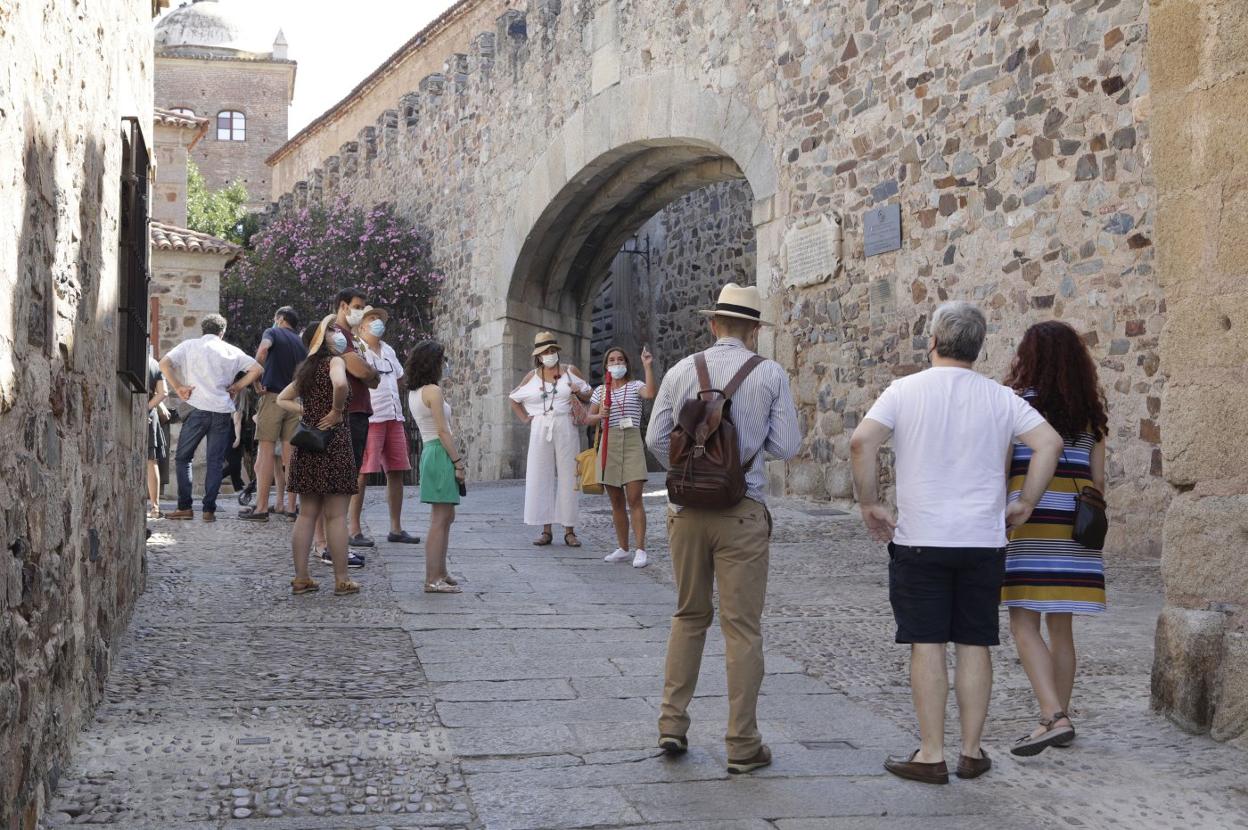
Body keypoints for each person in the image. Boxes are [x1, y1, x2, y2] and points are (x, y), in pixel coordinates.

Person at [849, 301, 1065, 785]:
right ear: (979, 346)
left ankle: (931, 753)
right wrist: (1025, 501)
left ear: (932, 341)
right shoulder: (999, 398)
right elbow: (1049, 443)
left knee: (926, 642)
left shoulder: (904, 391)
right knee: (975, 641)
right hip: (982, 541)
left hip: (921, 538)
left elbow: (862, 442)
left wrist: (869, 503)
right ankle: (970, 751)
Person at [646, 283, 801, 775]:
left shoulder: (677, 372)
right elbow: (789, 445)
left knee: (688, 615)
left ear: (713, 324)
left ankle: (672, 724)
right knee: (742, 629)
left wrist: (695, 461)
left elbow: (654, 439)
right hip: (743, 511)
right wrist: (742, 454)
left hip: (687, 512)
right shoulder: (770, 373)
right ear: (754, 329)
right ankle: (742, 743)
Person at [1001, 321, 1109, 756]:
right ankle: (1059, 715)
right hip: (1075, 526)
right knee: (1061, 628)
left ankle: (1053, 717)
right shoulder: (1092, 415)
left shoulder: (1015, 407)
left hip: (1031, 520)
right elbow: (1098, 482)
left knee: (1022, 621)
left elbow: (1003, 467)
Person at [278, 315, 360, 596]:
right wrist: (336, 411)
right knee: (336, 516)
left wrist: (308, 413)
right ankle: (341, 579)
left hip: (308, 446)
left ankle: (301, 577)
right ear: (322, 338)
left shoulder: (306, 370)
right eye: (333, 330)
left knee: (307, 514)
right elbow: (340, 385)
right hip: (334, 444)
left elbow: (282, 399)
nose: (339, 334)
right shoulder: (335, 362)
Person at [159, 314, 262, 522]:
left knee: (182, 458)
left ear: (203, 330)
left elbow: (164, 363)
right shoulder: (231, 351)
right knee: (215, 462)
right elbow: (257, 369)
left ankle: (185, 507)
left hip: (197, 408)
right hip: (222, 410)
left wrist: (179, 387)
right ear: (222, 333)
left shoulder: (189, 345)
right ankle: (208, 510)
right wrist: (237, 387)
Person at [508, 332, 592, 547]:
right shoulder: (531, 376)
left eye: (552, 350)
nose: (549, 354)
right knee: (540, 474)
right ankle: (545, 529)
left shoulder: (570, 371)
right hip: (540, 426)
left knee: (568, 475)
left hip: (565, 425)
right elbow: (513, 398)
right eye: (545, 352)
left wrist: (577, 391)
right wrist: (526, 418)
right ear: (538, 355)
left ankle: (569, 530)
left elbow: (588, 394)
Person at [349, 307, 421, 545]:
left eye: (379, 318)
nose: (377, 322)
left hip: (394, 416)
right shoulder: (357, 349)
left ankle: (396, 528)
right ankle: (354, 529)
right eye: (372, 318)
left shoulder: (388, 349)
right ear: (361, 326)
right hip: (371, 418)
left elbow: (400, 378)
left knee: (397, 471)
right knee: (362, 473)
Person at [586, 345, 658, 568]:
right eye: (612, 360)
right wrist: (600, 414)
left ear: (626, 363)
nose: (616, 364)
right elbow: (589, 418)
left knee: (635, 498)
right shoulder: (600, 391)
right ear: (606, 365)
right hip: (609, 443)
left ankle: (640, 549)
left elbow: (650, 393)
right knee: (616, 501)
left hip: (632, 441)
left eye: (620, 360)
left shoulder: (636, 386)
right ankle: (623, 548)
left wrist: (647, 366)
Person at [406, 340, 465, 593]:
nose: (445, 364)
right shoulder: (433, 391)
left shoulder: (415, 391)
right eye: (443, 360)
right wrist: (458, 462)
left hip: (431, 452)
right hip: (439, 452)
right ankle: (433, 578)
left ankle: (440, 571)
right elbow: (443, 430)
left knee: (445, 516)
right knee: (440, 519)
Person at [241, 306, 307, 521]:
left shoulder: (272, 332)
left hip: (272, 398)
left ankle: (261, 508)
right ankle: (290, 507)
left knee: (266, 453)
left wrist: (256, 378)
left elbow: (262, 351)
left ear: (280, 318)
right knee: (291, 457)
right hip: (294, 401)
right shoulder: (300, 342)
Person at [331, 289, 380, 558]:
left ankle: (334, 544)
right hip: (349, 414)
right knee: (341, 482)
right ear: (343, 306)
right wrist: (367, 371)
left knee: (345, 480)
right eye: (358, 306)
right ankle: (336, 546)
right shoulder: (338, 336)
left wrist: (367, 372)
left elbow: (372, 377)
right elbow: (362, 371)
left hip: (356, 413)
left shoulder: (350, 338)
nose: (361, 311)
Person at [222, 373, 257, 492]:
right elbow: (237, 422)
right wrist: (237, 438)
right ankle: (215, 480)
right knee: (234, 465)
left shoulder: (230, 406)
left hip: (227, 436)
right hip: (233, 437)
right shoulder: (238, 408)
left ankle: (238, 487)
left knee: (235, 464)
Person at [145, 354, 170, 519]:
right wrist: (147, 407)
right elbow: (163, 392)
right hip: (149, 414)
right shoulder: (154, 363)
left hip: (133, 408)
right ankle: (155, 507)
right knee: (151, 460)